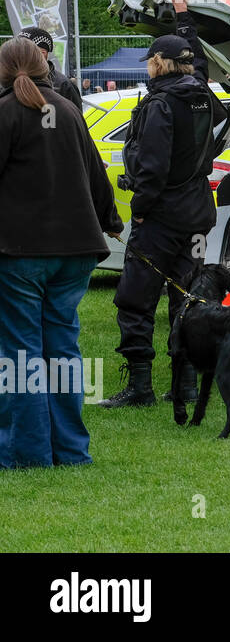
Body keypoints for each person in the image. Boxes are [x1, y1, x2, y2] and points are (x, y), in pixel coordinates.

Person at [0, 38, 123, 468]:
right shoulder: (69, 110)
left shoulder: (6, 112)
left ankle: (27, 453)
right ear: (43, 66)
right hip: (77, 250)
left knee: (20, 352)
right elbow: (95, 170)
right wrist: (112, 220)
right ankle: (71, 452)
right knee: (62, 346)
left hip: (22, 253)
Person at [102, 0, 222, 408]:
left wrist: (138, 210)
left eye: (149, 59)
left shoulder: (160, 105)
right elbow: (198, 62)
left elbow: (151, 168)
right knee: (185, 298)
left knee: (135, 300)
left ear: (158, 63)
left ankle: (139, 388)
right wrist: (184, 15)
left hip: (161, 216)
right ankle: (185, 384)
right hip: (196, 213)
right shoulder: (201, 91)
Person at [18, 27, 80, 106]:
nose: (17, 54)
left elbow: (75, 116)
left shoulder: (63, 85)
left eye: (23, 50)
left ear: (42, 54)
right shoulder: (7, 80)